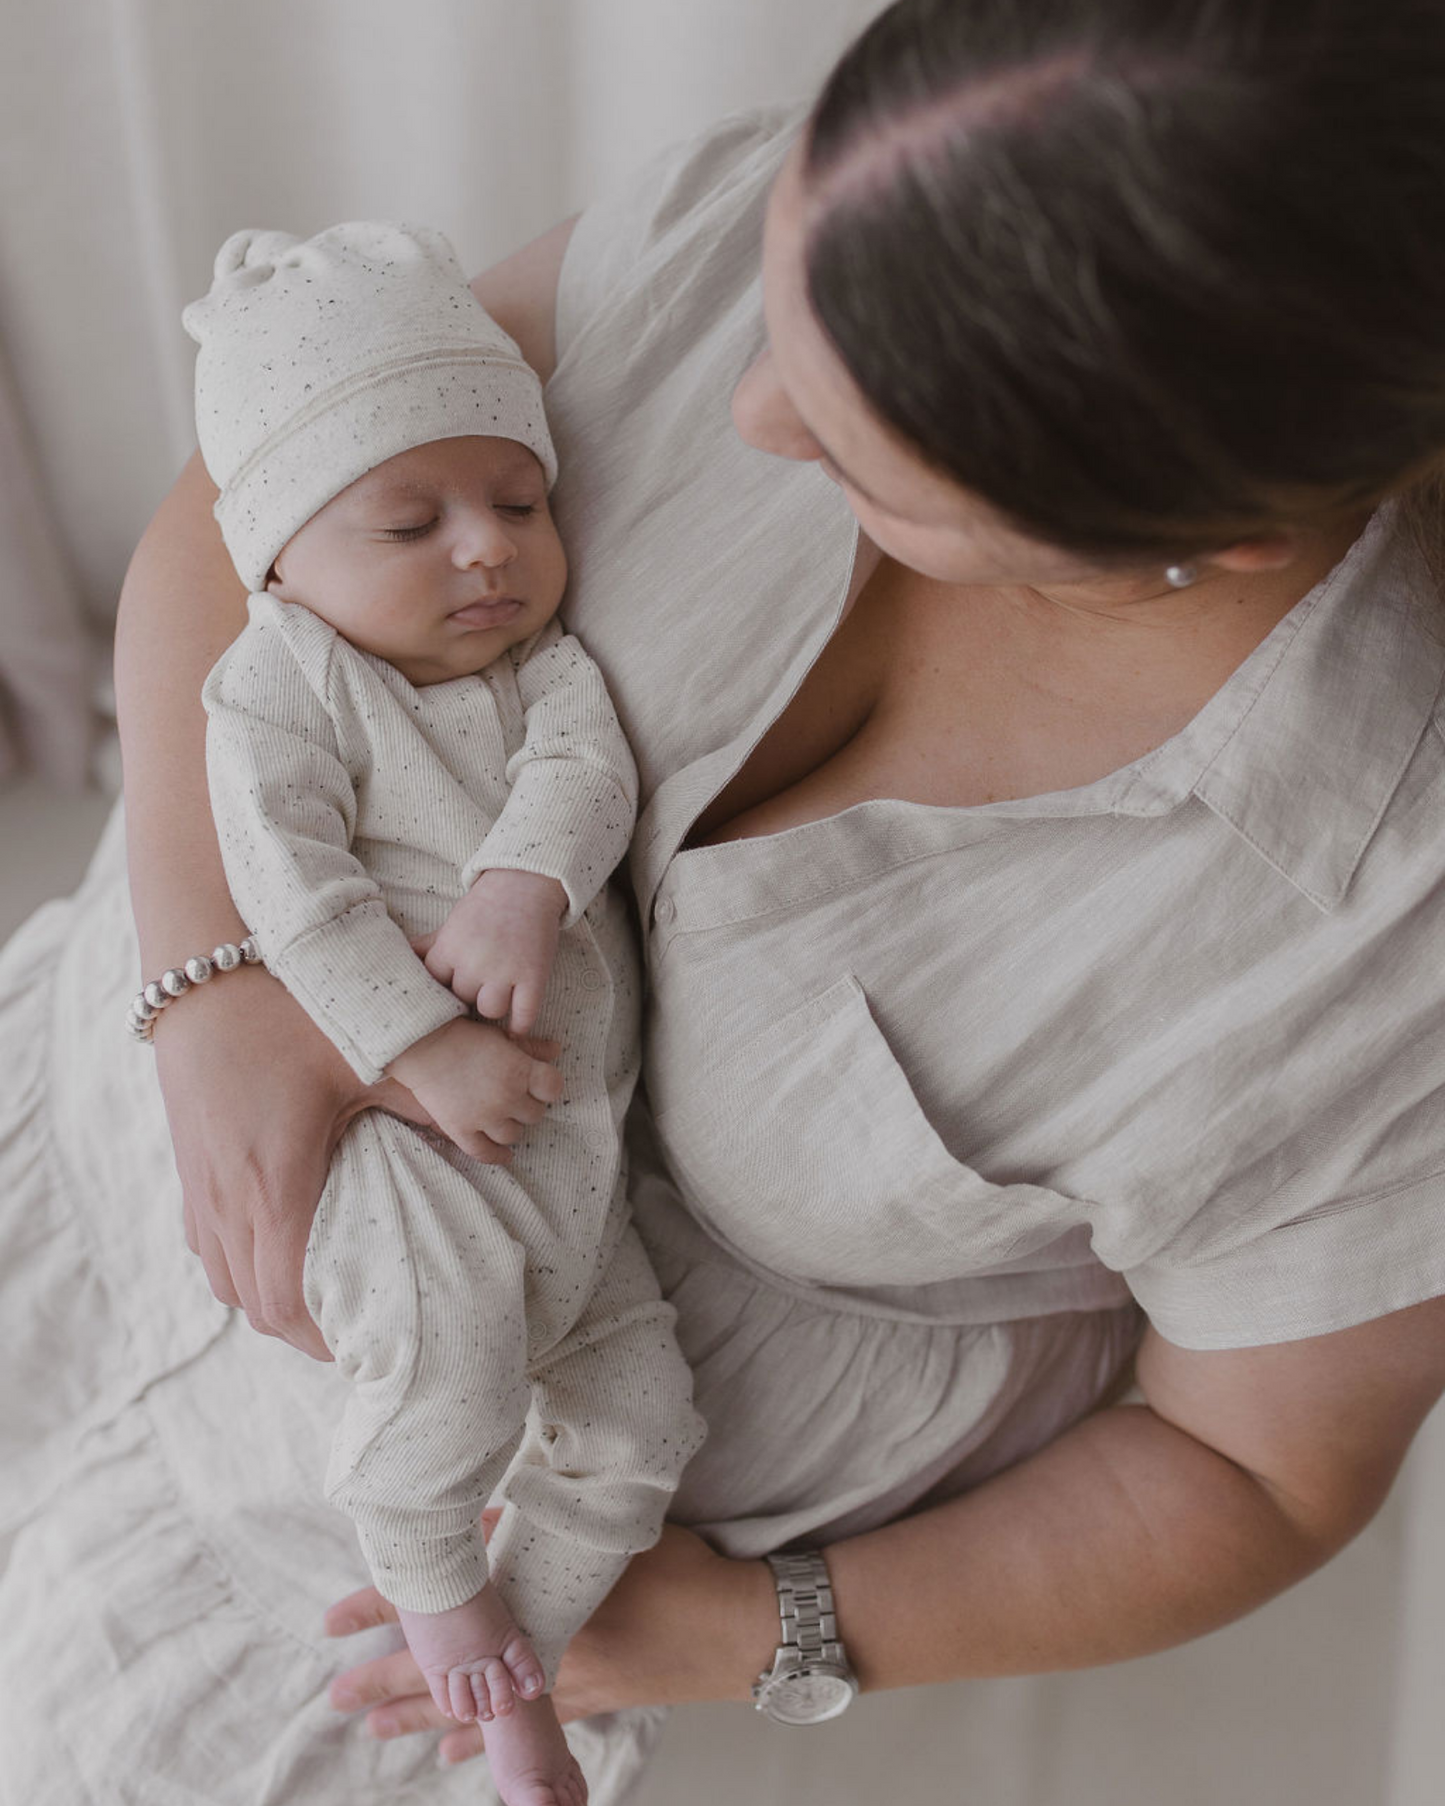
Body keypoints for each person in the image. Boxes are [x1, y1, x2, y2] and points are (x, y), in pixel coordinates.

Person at [4, 0, 1445, 1799]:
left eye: (858, 448)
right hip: (99, 1147)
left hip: (363, 1587)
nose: (747, 406)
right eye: (783, 307)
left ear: (1200, 542)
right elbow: (255, 491)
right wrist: (207, 976)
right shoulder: (864, 199)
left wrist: (751, 1628)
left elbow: (1256, 1475)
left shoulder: (1386, 937)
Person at [169, 218, 703, 1806]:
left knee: (644, 1424)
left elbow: (585, 776)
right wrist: (421, 1044)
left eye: (519, 502)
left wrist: (526, 885)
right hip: (417, 1150)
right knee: (452, 1371)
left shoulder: (543, 668)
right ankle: (434, 1573)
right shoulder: (281, 685)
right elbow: (300, 895)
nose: (487, 546)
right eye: (413, 519)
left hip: (576, 1172)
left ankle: (506, 1656)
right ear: (279, 556)